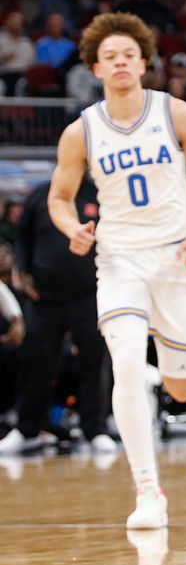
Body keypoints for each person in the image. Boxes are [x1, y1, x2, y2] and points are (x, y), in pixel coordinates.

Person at [46, 12, 186, 528]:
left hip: (176, 257)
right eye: (110, 57)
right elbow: (60, 198)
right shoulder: (80, 131)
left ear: (144, 62)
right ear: (96, 68)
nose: (120, 62)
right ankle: (148, 490)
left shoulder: (175, 113)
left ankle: (164, 371)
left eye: (128, 54)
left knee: (182, 387)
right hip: (119, 257)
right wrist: (71, 228)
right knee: (123, 363)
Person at [1, 176, 111, 455]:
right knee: (36, 362)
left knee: (94, 361)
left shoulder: (99, 194)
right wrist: (22, 271)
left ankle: (95, 429)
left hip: (89, 296)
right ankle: (28, 430)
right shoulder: (41, 194)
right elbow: (23, 236)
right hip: (44, 298)